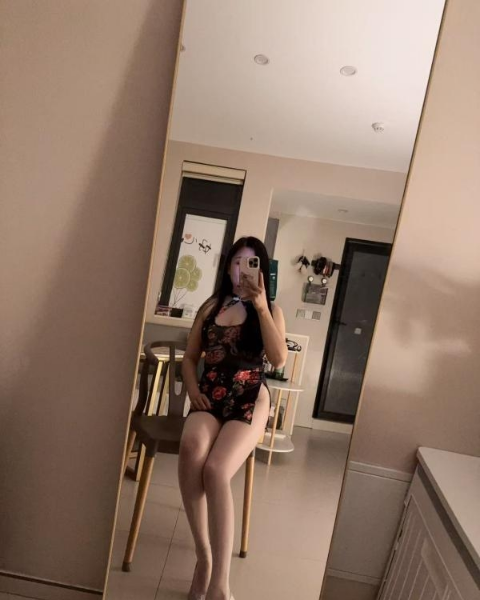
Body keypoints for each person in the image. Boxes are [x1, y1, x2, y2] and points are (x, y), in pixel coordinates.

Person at [178, 236, 287, 600]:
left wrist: (261, 308)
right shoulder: (211, 306)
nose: (243, 269)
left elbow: (278, 359)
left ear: (262, 271)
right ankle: (203, 557)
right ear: (228, 267)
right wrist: (192, 389)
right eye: (237, 261)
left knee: (215, 469)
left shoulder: (271, 310)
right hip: (211, 394)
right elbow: (190, 358)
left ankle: (220, 584)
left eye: (251, 263)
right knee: (191, 447)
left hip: (250, 397)